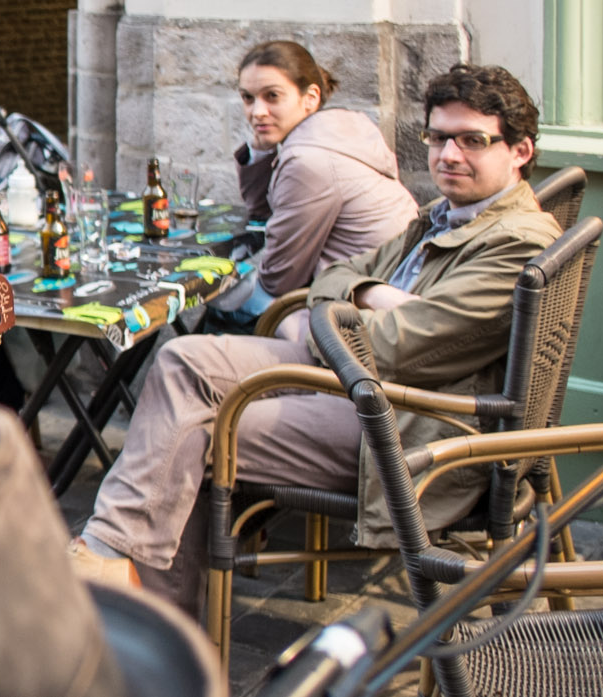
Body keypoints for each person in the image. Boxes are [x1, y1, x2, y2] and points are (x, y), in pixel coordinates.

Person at [68, 64, 562, 610]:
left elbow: (399, 344)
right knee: (182, 359)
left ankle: (157, 634)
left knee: (191, 432)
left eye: (473, 141)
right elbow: (333, 277)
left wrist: (343, 307)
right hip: (358, 379)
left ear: (520, 152)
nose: (448, 155)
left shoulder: (514, 241)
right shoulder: (448, 214)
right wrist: (373, 295)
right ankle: (112, 552)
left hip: (408, 426)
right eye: (440, 137)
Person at [208, 40, 419, 329]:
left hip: (356, 312)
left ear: (310, 98)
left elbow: (279, 279)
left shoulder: (308, 161)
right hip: (384, 287)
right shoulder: (340, 129)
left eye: (272, 96)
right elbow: (261, 213)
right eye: (248, 98)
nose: (257, 111)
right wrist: (262, 151)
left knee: (219, 297)